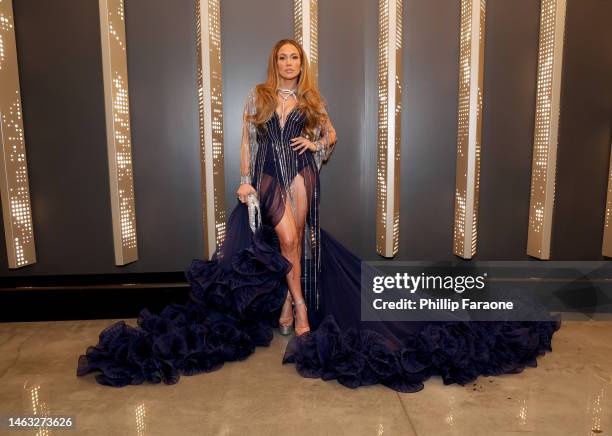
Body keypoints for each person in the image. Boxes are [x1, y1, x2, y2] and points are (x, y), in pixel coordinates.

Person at [77, 39, 561, 392]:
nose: (289, 64)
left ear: (301, 65)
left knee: (299, 239)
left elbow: (332, 135)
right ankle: (300, 306)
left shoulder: (311, 100)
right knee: (286, 239)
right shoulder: (259, 95)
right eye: (283, 58)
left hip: (303, 173)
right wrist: (243, 178)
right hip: (268, 173)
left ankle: (289, 307)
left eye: (295, 58)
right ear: (275, 62)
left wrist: (318, 142)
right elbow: (247, 142)